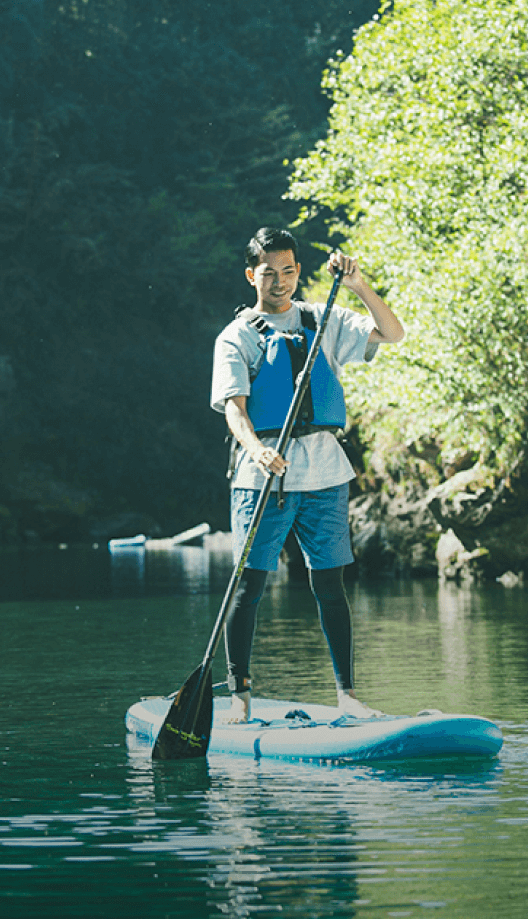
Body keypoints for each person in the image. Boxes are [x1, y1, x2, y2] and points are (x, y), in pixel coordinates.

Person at [210, 227, 405, 723]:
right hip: (264, 480)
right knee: (248, 586)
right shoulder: (236, 337)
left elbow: (393, 333)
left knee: (330, 586)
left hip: (323, 473)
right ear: (251, 275)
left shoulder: (324, 320)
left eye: (289, 271)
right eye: (269, 273)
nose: (280, 282)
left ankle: (348, 696)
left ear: (299, 271)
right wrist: (256, 450)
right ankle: (240, 696)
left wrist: (359, 285)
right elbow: (234, 409)